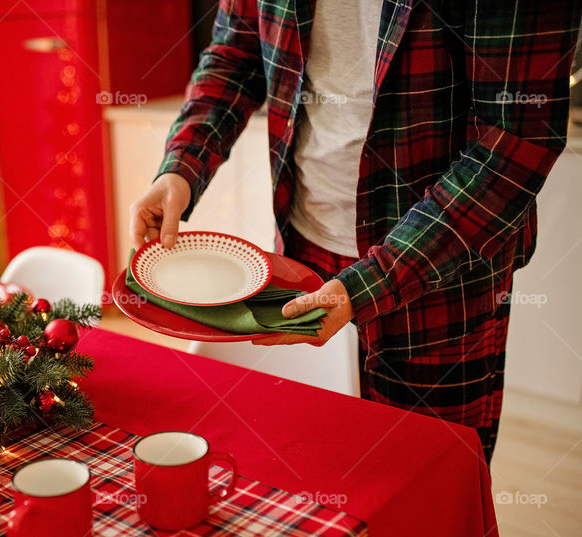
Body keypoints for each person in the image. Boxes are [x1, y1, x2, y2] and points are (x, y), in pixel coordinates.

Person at [129, 0, 582, 464]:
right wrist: (181, 167)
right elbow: (234, 57)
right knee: (310, 467)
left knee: (429, 486)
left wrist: (366, 287)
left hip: (442, 283)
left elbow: (513, 141)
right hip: (300, 256)